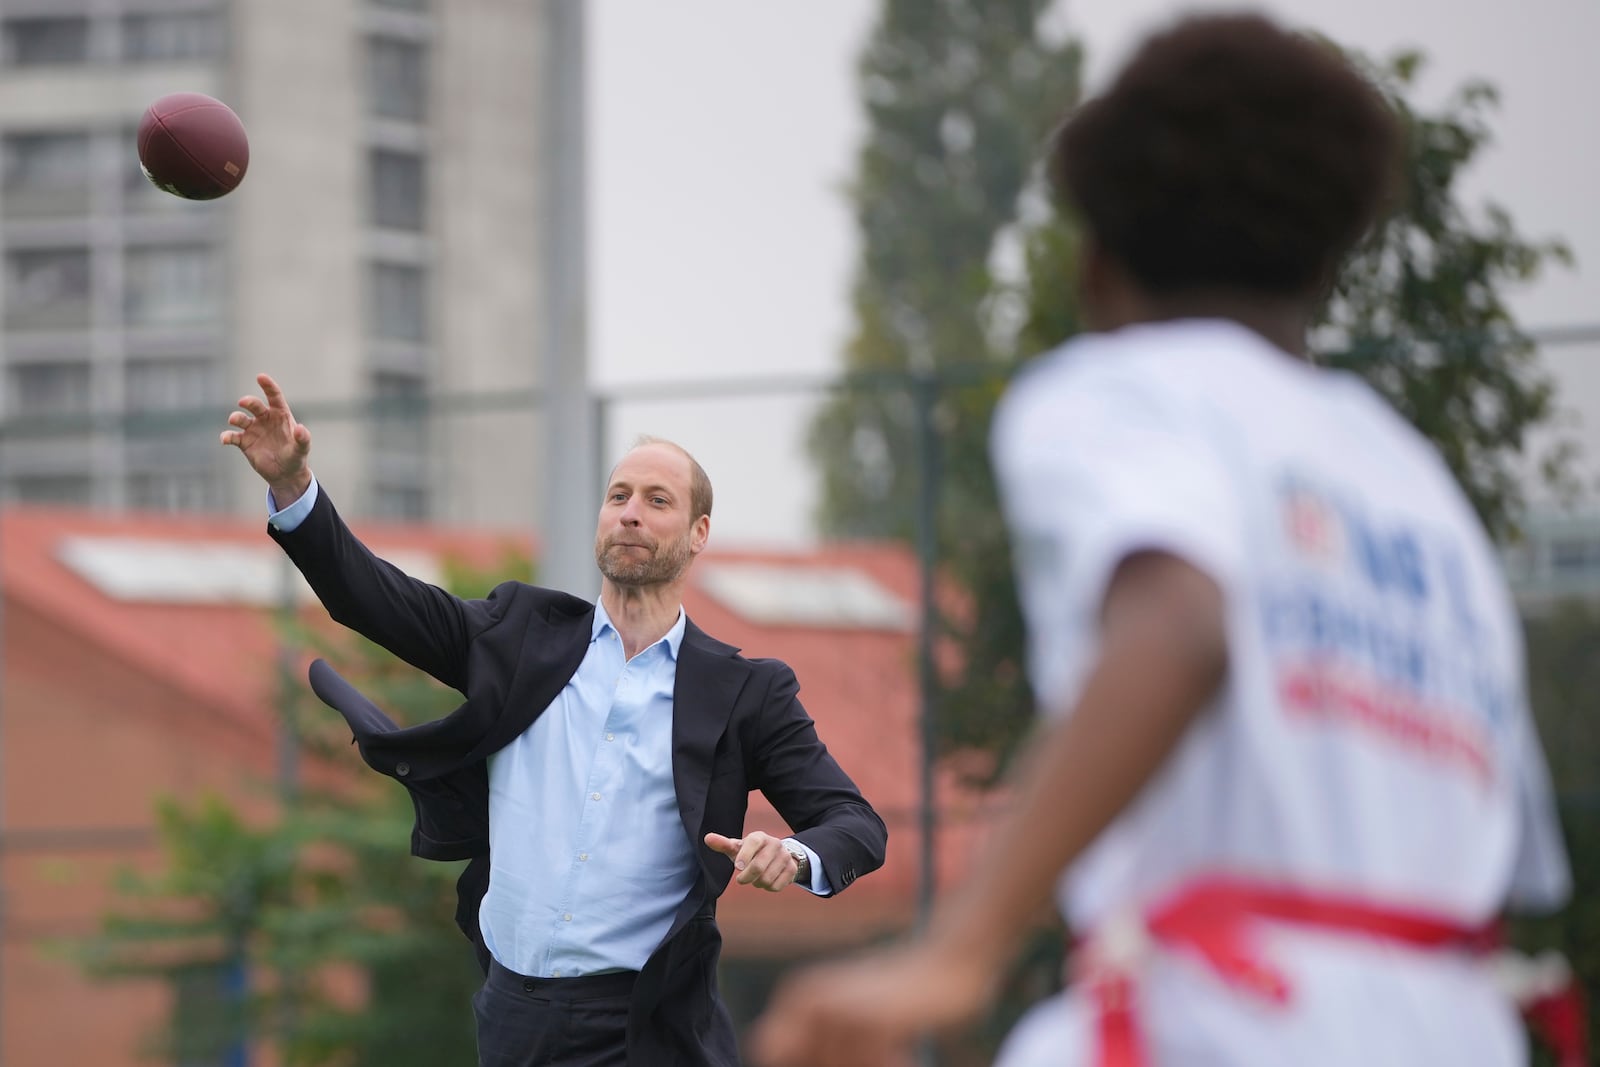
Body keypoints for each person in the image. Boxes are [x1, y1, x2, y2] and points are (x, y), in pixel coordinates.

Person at [751, 12, 1573, 1067]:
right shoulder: (1414, 484)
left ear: (1096, 267)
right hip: (1456, 1023)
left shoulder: (1123, 390)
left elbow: (1180, 622)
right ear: (1326, 267)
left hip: (1221, 1017)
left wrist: (958, 948)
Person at [221, 381, 888, 1067]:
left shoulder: (746, 691)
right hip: (513, 1017)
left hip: (646, 1030)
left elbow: (856, 825)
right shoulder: (520, 636)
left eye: (657, 501)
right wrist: (295, 486)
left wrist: (795, 855)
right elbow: (375, 599)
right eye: (619, 495)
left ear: (698, 534)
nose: (631, 513)